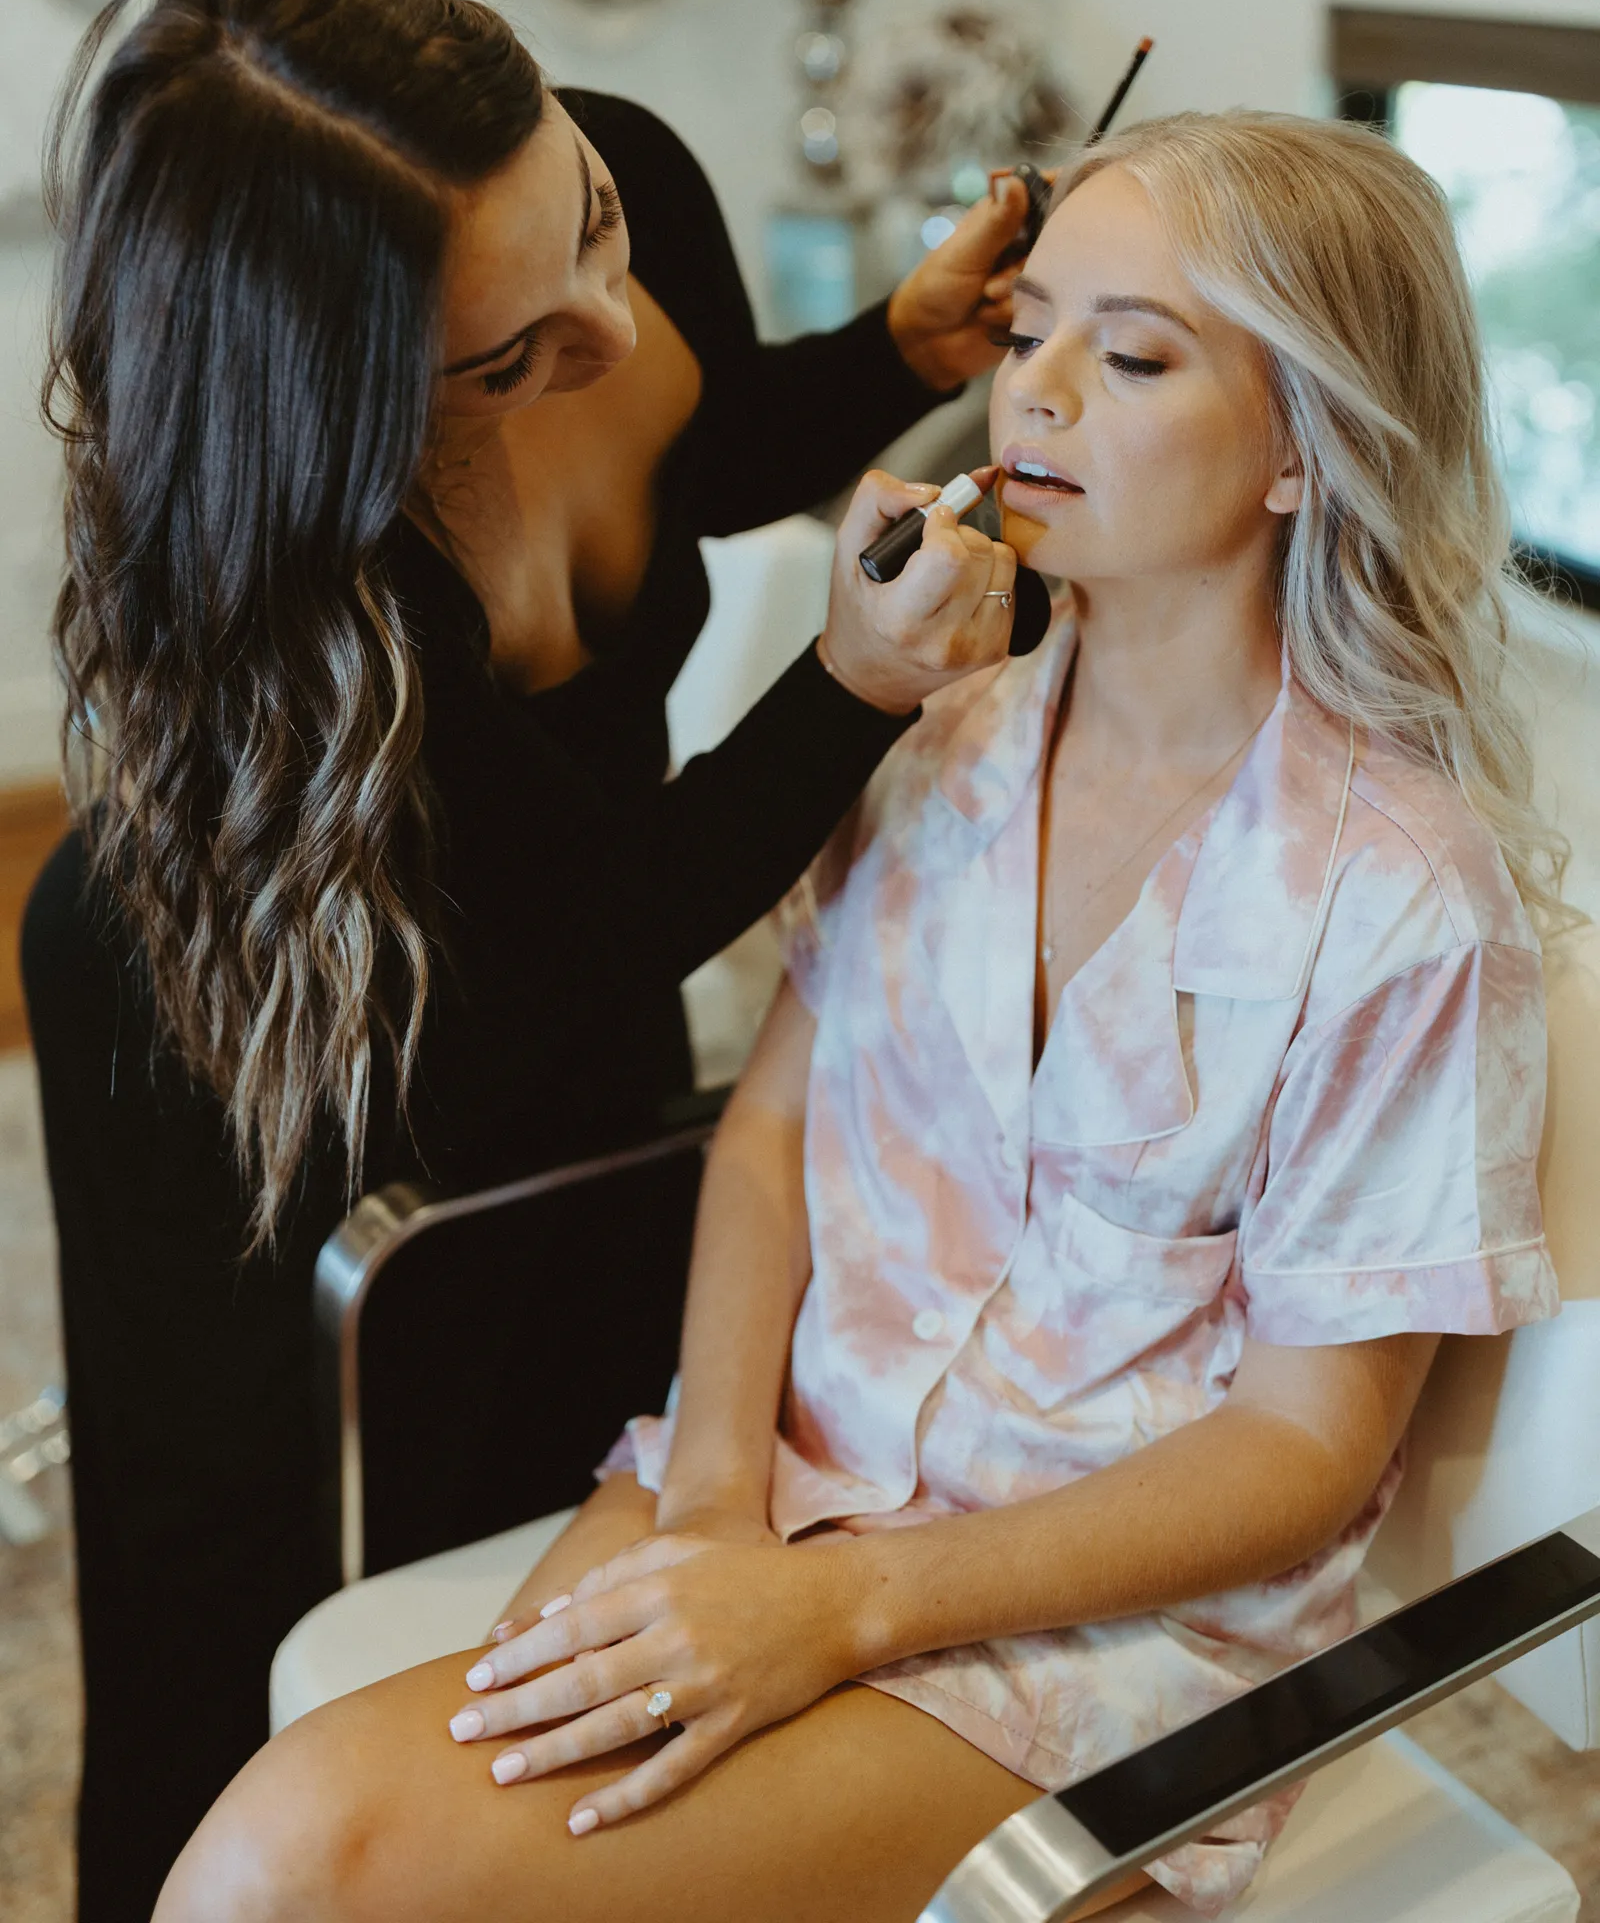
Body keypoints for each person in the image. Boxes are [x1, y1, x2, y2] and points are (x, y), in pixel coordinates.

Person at [157, 109, 1572, 1923]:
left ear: (1306, 445)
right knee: (320, 1861)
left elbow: (1306, 1451)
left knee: (301, 1863)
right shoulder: (941, 735)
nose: (1035, 389)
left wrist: (836, 1607)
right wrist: (712, 1505)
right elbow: (770, 1137)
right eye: (1030, 329)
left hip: (1086, 1641)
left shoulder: (1400, 898)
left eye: (1133, 356)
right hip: (769, 1484)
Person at [21, 0, 1035, 1923]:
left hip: (573, 964)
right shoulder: (307, 576)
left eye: (595, 225)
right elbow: (601, 924)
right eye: (509, 357)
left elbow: (697, 435)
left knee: (571, 1450)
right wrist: (849, 688)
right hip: (279, 1027)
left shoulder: (621, 182)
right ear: (343, 408)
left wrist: (894, 356)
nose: (606, 319)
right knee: (248, 1562)